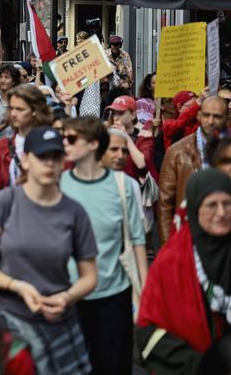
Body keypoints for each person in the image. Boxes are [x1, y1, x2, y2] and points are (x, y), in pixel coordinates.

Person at [0, 126, 99, 375]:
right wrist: (17, 286)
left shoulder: (74, 212)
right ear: (26, 159)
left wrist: (67, 297)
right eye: (42, 157)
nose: (49, 164)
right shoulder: (4, 203)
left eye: (55, 157)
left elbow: (90, 276)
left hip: (60, 320)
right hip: (11, 318)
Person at [60, 116, 147, 375]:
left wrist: (146, 293)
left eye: (72, 138)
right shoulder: (58, 184)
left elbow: (138, 241)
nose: (65, 143)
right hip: (69, 294)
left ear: (92, 144)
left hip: (113, 295)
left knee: (112, 366)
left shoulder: (124, 186)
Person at [137, 169, 231, 373]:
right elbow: (147, 331)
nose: (222, 213)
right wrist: (201, 364)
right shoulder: (170, 263)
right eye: (212, 205)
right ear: (195, 209)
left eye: (227, 203)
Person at [159, 96, 229, 244]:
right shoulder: (177, 152)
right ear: (198, 116)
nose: (210, 122)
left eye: (217, 116)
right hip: (188, 236)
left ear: (227, 118)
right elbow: (165, 206)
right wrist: (169, 248)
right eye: (206, 115)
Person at [0, 84, 54, 189]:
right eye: (11, 108)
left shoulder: (52, 142)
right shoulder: (2, 145)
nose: (13, 114)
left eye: (20, 109)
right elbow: (0, 185)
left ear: (35, 111)